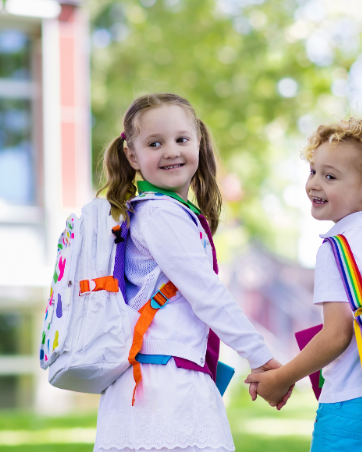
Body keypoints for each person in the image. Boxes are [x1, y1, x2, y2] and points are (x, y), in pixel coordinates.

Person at [93, 93, 288, 452]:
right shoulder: (160, 215)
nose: (171, 151)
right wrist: (263, 358)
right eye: (155, 143)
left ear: (199, 143)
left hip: (158, 381)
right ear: (132, 156)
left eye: (182, 140)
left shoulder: (159, 212)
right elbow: (208, 296)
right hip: (164, 388)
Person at [245, 117, 362, 451]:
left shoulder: (337, 247)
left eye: (330, 176)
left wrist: (281, 378)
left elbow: (336, 334)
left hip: (352, 405)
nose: (314, 184)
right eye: (312, 171)